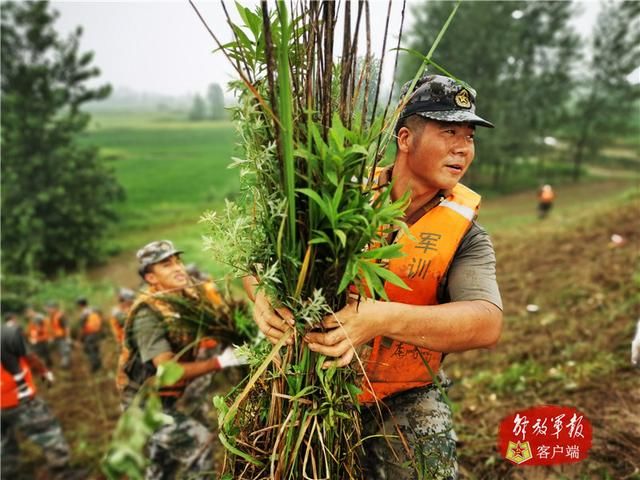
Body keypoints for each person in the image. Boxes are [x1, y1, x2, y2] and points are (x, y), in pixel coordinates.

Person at [246, 75, 503, 479]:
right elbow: (257, 264)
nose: (463, 148)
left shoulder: (465, 234)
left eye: (469, 136)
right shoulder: (338, 199)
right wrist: (261, 293)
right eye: (449, 131)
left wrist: (380, 319)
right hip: (313, 388)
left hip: (405, 397)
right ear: (405, 138)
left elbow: (486, 322)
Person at [116, 240, 247, 479]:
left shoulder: (184, 299)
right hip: (144, 405)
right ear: (151, 278)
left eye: (178, 261)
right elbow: (167, 370)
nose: (178, 268)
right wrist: (220, 362)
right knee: (201, 445)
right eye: (166, 264)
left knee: (161, 466)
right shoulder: (148, 315)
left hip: (166, 399)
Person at [1, 317, 73, 478]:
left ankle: (8, 474)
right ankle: (62, 471)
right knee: (47, 430)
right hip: (17, 398)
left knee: (3, 443)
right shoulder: (7, 333)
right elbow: (30, 357)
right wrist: (44, 372)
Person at [76, 298, 104, 373]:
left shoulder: (84, 313)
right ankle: (99, 365)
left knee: (90, 350)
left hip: (89, 334)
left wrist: (79, 339)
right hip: (97, 333)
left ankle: (95, 367)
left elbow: (82, 328)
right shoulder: (95, 310)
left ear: (79, 305)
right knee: (96, 349)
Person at [45, 301, 71, 369]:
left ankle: (65, 363)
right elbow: (50, 328)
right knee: (49, 350)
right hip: (53, 337)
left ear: (55, 308)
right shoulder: (49, 317)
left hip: (61, 336)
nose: (48, 310)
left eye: (50, 308)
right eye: (48, 308)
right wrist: (50, 337)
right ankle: (51, 364)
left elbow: (66, 327)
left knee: (64, 350)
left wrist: (68, 337)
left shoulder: (60, 316)